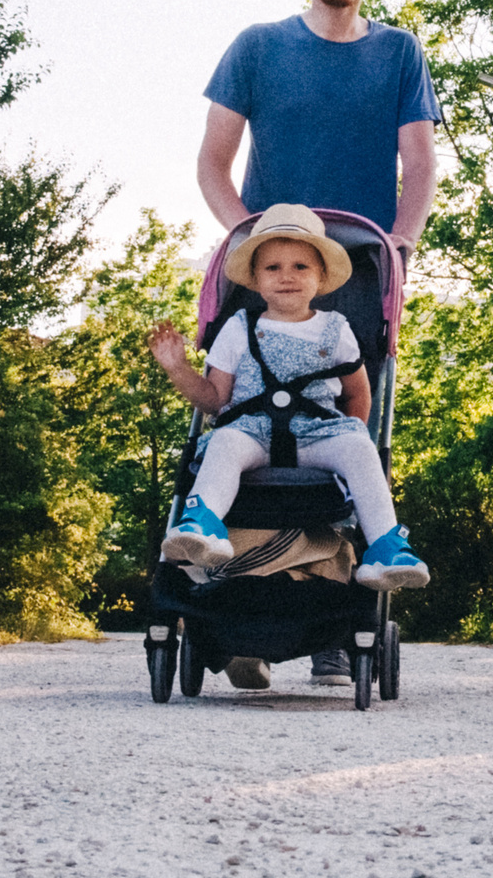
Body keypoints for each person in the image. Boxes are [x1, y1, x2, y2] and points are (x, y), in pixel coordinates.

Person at [197, 0, 440, 688]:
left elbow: (421, 162)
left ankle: (334, 619)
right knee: (240, 425)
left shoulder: (399, 53)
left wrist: (400, 239)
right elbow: (212, 163)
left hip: (358, 270)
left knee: (345, 435)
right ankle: (234, 601)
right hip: (266, 270)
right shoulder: (258, 48)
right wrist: (246, 236)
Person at [149, 203, 429, 595]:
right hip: (251, 432)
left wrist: (349, 438)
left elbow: (357, 392)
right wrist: (178, 368)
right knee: (224, 440)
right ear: (255, 279)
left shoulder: (336, 329)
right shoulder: (238, 327)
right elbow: (214, 400)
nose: (287, 277)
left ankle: (386, 546)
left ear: (320, 277)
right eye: (273, 267)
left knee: (359, 447)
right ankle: (202, 523)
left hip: (317, 434)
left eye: (301, 267)